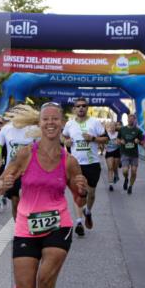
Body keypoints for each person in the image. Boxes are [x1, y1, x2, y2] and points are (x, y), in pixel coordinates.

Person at [0, 103, 86, 288]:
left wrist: (83, 190)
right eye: (46, 119)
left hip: (58, 225)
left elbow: (79, 201)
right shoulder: (25, 154)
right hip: (26, 225)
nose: (50, 123)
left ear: (62, 123)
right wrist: (4, 182)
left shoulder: (70, 161)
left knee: (46, 281)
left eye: (55, 119)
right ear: (40, 123)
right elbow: (0, 186)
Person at [62, 97, 106, 236]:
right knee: (79, 192)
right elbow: (62, 137)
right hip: (76, 165)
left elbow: (106, 139)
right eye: (78, 106)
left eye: (84, 106)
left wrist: (93, 138)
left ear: (87, 108)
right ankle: (79, 222)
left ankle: (88, 212)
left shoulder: (95, 122)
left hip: (92, 163)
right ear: (74, 109)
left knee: (91, 194)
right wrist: (66, 141)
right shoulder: (69, 124)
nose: (81, 108)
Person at [0, 105, 41, 216]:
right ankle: (18, 228)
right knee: (15, 202)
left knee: (25, 199)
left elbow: (41, 149)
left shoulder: (34, 129)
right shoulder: (6, 129)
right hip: (11, 171)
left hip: (30, 171)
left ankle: (27, 227)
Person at [117, 113, 144, 194]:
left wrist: (138, 141)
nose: (130, 120)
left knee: (134, 171)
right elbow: (117, 139)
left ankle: (130, 186)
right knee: (125, 171)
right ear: (127, 120)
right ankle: (126, 179)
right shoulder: (122, 129)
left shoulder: (138, 130)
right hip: (125, 152)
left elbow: (142, 142)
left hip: (134, 154)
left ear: (134, 120)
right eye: (129, 118)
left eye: (132, 119)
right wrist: (120, 141)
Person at [104, 118, 121, 192]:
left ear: (115, 127)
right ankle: (110, 184)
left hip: (117, 152)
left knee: (115, 167)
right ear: (109, 127)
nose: (112, 128)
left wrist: (119, 142)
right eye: (110, 126)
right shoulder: (106, 134)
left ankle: (116, 174)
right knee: (110, 167)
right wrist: (104, 145)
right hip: (109, 152)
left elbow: (122, 142)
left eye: (113, 126)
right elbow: (102, 141)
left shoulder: (118, 134)